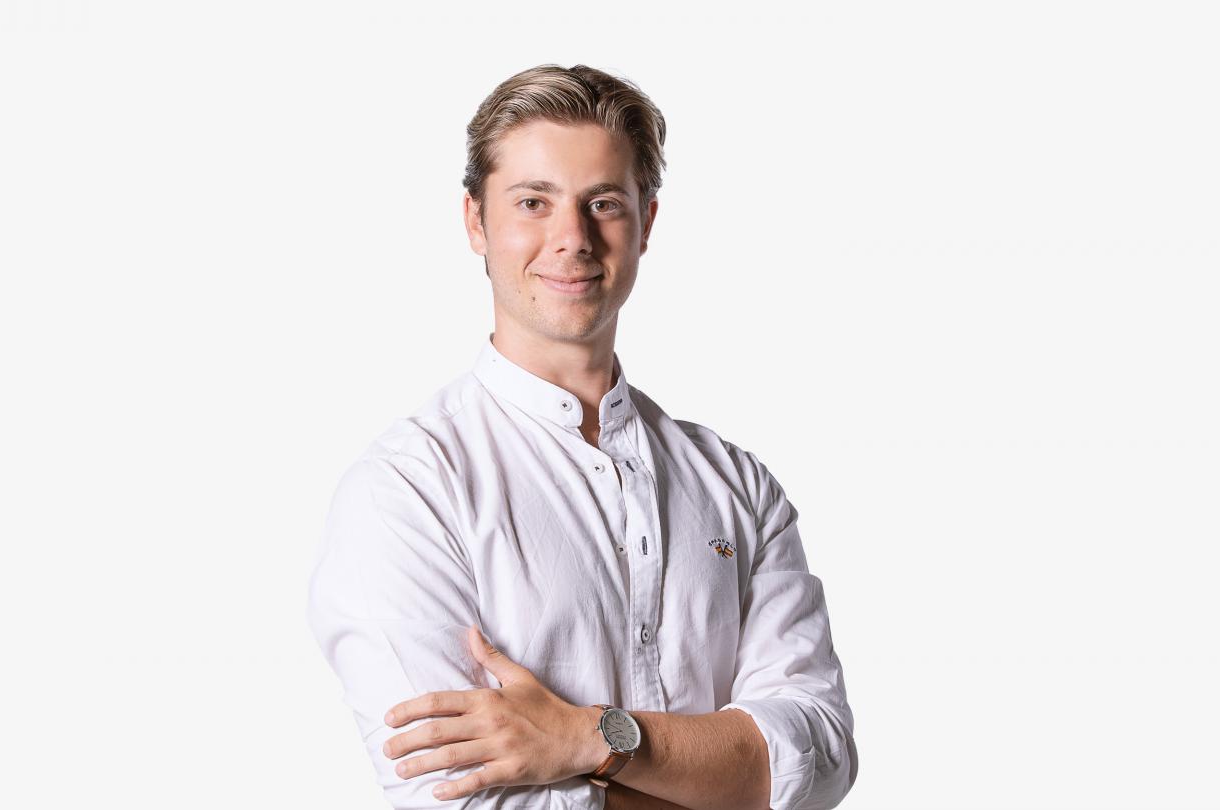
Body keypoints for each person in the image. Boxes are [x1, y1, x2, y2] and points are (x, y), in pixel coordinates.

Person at [307, 63, 857, 810]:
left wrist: (591, 740)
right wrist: (723, 778)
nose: (572, 238)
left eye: (603, 203)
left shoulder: (739, 487)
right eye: (533, 202)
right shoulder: (408, 492)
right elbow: (464, 800)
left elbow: (819, 756)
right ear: (476, 220)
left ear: (647, 222)